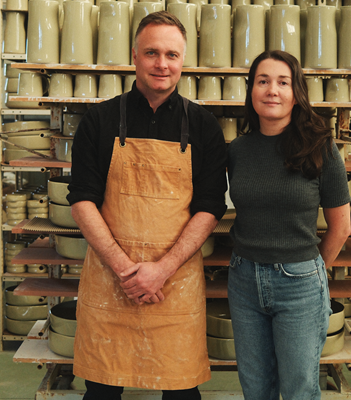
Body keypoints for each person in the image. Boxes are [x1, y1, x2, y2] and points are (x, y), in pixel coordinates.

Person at [67, 11, 228, 400]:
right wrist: (127, 271)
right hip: (112, 280)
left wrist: (161, 270)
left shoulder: (205, 125)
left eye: (172, 55)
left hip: (174, 284)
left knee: (182, 394)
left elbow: (210, 206)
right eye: (152, 52)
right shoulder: (99, 120)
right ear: (134, 55)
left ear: (183, 61)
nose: (162, 64)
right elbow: (82, 200)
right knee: (101, 392)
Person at [226, 50, 351, 400]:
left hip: (299, 284)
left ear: (296, 92)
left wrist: (309, 274)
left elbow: (340, 228)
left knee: (298, 388)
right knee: (255, 387)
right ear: (251, 91)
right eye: (263, 81)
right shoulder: (237, 150)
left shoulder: (321, 148)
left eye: (283, 82)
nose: (272, 90)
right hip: (243, 280)